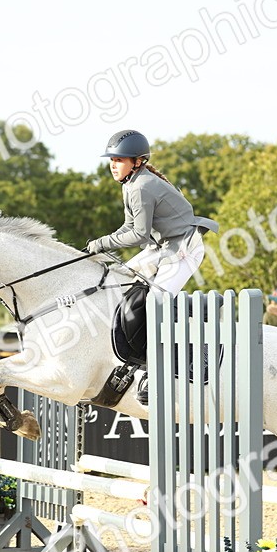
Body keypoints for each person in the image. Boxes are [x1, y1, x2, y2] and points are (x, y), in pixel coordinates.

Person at [84, 129, 219, 405]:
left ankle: (160, 369)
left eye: (119, 160)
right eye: (112, 160)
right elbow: (128, 227)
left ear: (137, 161)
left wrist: (101, 243)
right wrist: (101, 245)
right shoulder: (130, 185)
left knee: (156, 302)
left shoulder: (142, 186)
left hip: (184, 248)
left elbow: (139, 235)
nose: (113, 165)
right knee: (120, 279)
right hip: (162, 247)